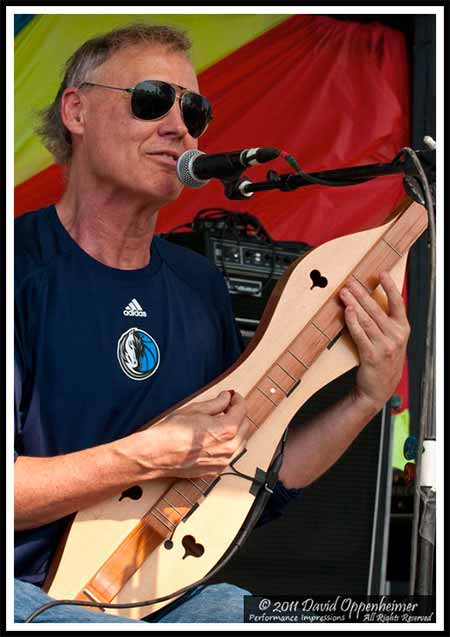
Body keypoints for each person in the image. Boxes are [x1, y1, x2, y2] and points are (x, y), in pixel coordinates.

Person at [14, 23, 410, 624]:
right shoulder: (19, 267)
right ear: (77, 110)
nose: (180, 127)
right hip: (23, 588)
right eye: (151, 100)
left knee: (363, 618)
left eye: (194, 110)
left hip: (160, 594)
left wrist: (367, 397)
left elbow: (247, 483)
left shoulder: (199, 285)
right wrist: (145, 457)